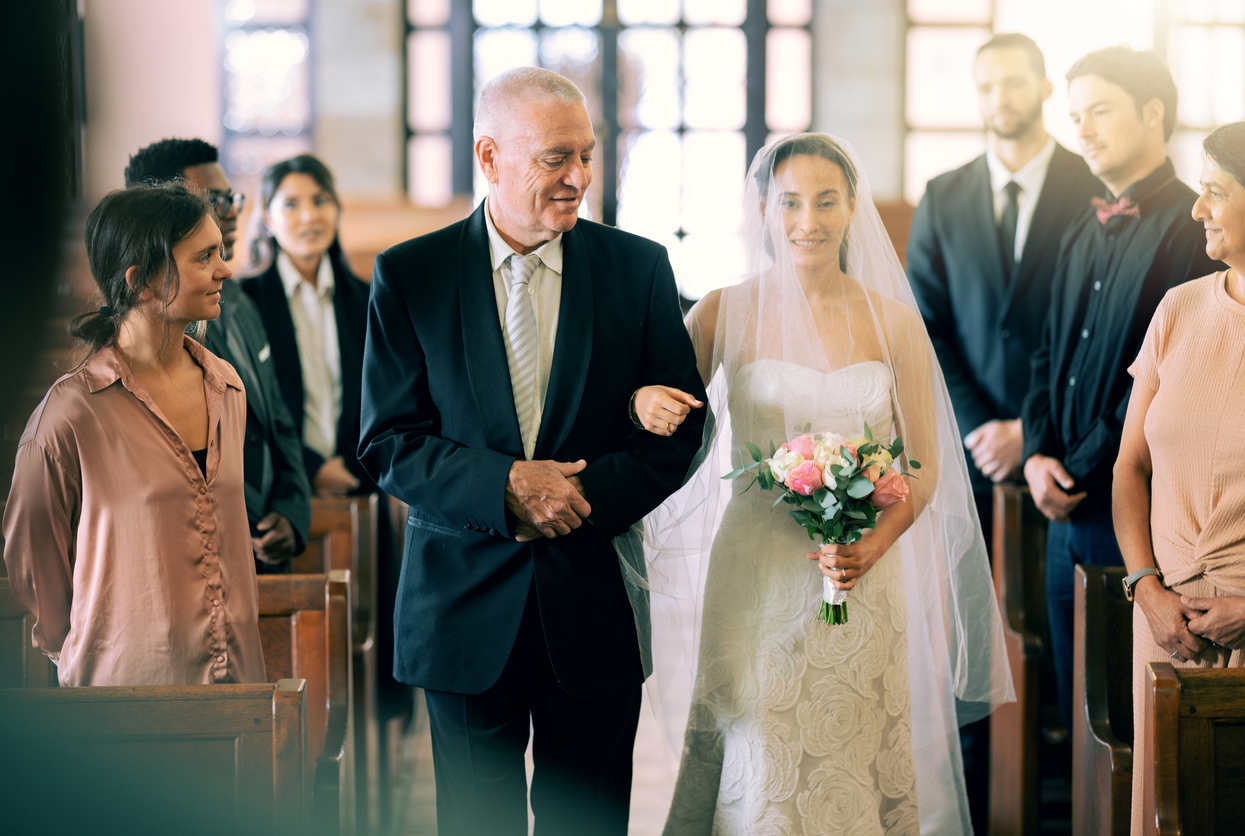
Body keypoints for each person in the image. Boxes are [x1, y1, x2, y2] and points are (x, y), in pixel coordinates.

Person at [358, 67, 708, 835]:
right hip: (459, 602)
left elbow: (682, 426)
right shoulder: (409, 276)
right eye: (555, 158)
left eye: (585, 155)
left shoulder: (636, 269)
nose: (578, 177)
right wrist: (507, 486)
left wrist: (578, 500)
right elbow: (387, 442)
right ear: (489, 157)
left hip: (592, 600)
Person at [633, 133, 1012, 835]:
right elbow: (656, 410)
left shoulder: (892, 322)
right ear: (762, 210)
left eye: (826, 201)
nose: (808, 220)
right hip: (755, 570)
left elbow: (922, 464)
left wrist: (871, 546)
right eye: (790, 202)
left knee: (850, 752)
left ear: (851, 208)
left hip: (862, 574)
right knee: (761, 747)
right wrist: (638, 403)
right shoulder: (721, 311)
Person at [905, 38, 1100, 826]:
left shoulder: (1092, 188)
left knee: (1057, 638)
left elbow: (1091, 322)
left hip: (1061, 446)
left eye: (1014, 81)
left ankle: (1054, 788)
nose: (1000, 96)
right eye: (986, 85)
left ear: (1043, 87)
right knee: (966, 631)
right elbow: (923, 325)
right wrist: (979, 423)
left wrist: (1028, 427)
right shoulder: (943, 194)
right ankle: (976, 788)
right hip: (964, 454)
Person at [1020, 46, 1222, 728]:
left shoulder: (1197, 231)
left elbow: (1171, 386)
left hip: (1133, 511)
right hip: (1061, 508)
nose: (1081, 130)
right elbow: (1049, 351)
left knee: (1135, 723)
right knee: (1080, 716)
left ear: (1152, 112)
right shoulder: (1081, 224)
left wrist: (1079, 467)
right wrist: (1037, 451)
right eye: (1074, 116)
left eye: (1099, 111)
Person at [2, 183, 266, 686]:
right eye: (204, 256)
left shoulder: (227, 387)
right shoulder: (70, 415)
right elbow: (35, 565)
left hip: (237, 692)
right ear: (141, 281)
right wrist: (99, 642)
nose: (225, 270)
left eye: (222, 253)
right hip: (126, 695)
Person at [1113, 120, 1245, 836]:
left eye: (1214, 192)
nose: (1196, 209)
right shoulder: (1179, 309)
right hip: (1164, 628)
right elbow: (1128, 468)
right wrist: (1147, 590)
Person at [125, 138, 311, 570]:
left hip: (263, 550)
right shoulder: (154, 333)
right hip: (199, 556)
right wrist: (239, 523)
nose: (231, 210)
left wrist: (290, 511)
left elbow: (277, 420)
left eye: (233, 197)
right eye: (215, 198)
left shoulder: (241, 300)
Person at [243, 153, 373, 497]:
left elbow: (382, 397)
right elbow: (246, 408)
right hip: (276, 489)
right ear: (267, 217)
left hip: (359, 481)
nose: (309, 216)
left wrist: (350, 465)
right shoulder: (245, 303)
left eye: (320, 201)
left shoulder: (368, 298)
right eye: (291, 204)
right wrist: (312, 469)